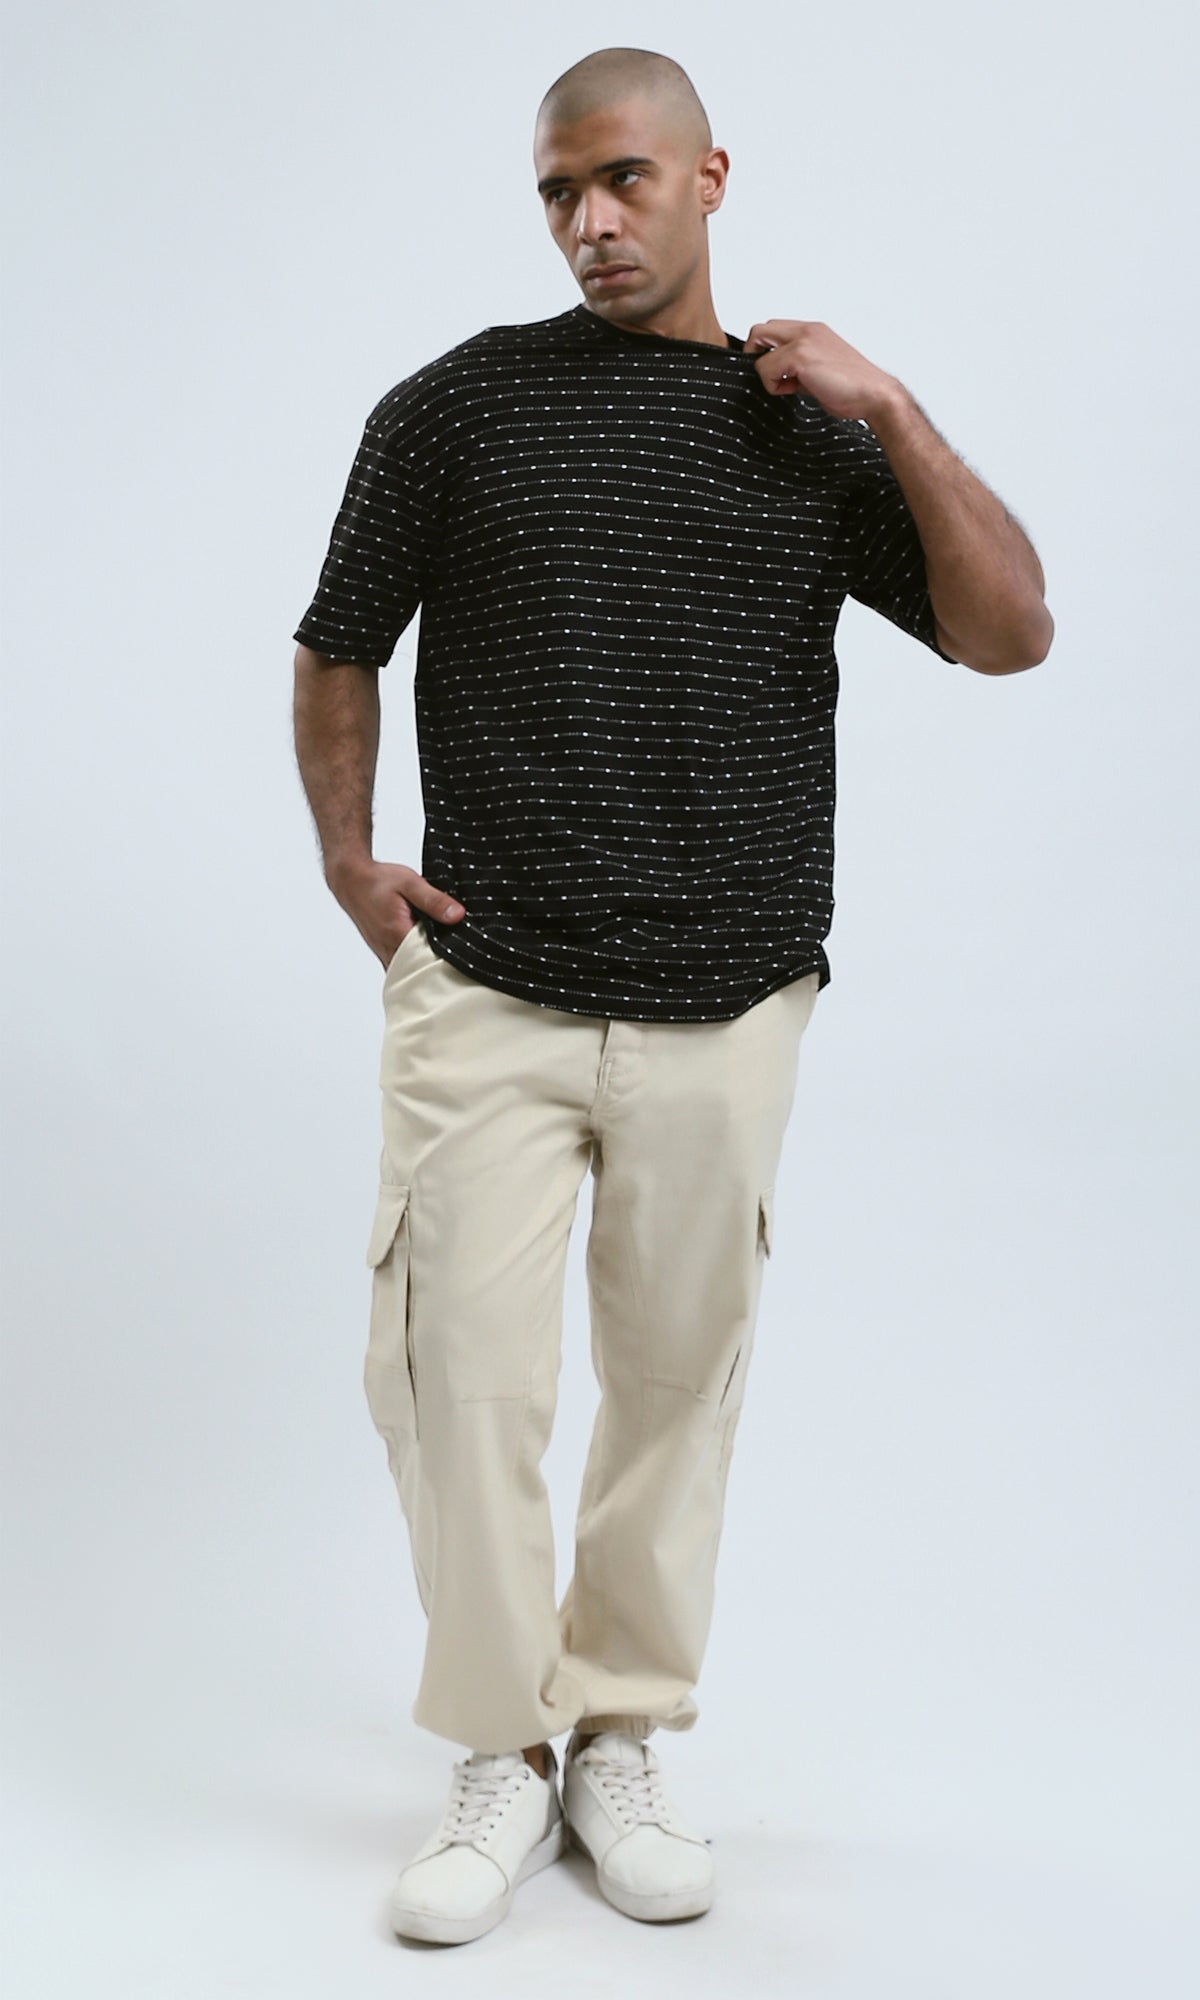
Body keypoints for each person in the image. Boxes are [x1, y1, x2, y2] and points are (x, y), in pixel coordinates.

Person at [291, 44, 1053, 1949]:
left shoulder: (806, 428)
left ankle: (618, 1734)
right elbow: (338, 642)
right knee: (454, 1381)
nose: (589, 222)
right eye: (558, 191)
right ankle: (500, 1745)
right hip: (489, 989)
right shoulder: (457, 409)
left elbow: (1011, 632)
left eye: (622, 178)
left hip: (729, 997)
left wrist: (895, 407)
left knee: (672, 1391)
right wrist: (349, 861)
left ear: (712, 176)